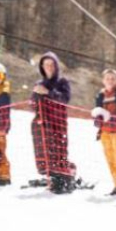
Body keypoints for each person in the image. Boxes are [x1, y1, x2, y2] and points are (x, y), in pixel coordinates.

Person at [31, 52, 75, 193]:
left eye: (51, 64)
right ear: (42, 67)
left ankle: (65, 176)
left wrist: (48, 92)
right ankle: (51, 177)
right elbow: (32, 104)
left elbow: (64, 99)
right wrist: (34, 99)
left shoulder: (62, 82)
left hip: (57, 122)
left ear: (56, 66)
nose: (48, 67)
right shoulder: (39, 83)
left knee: (58, 151)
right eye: (46, 65)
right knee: (44, 151)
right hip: (42, 124)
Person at [90, 69, 116, 198]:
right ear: (103, 81)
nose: (110, 80)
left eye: (113, 78)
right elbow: (97, 110)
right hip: (105, 132)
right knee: (111, 160)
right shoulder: (100, 95)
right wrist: (97, 119)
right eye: (107, 78)